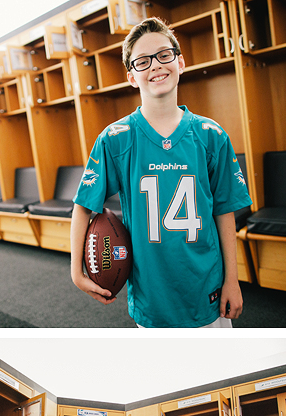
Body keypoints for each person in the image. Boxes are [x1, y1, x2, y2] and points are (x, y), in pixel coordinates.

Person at [69, 17, 251, 328]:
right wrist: (76, 272)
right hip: (151, 292)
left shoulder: (211, 135)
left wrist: (232, 280)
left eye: (164, 55)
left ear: (180, 62)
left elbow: (223, 211)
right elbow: (84, 205)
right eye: (142, 61)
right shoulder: (116, 138)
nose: (156, 66)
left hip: (206, 284)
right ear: (131, 77)